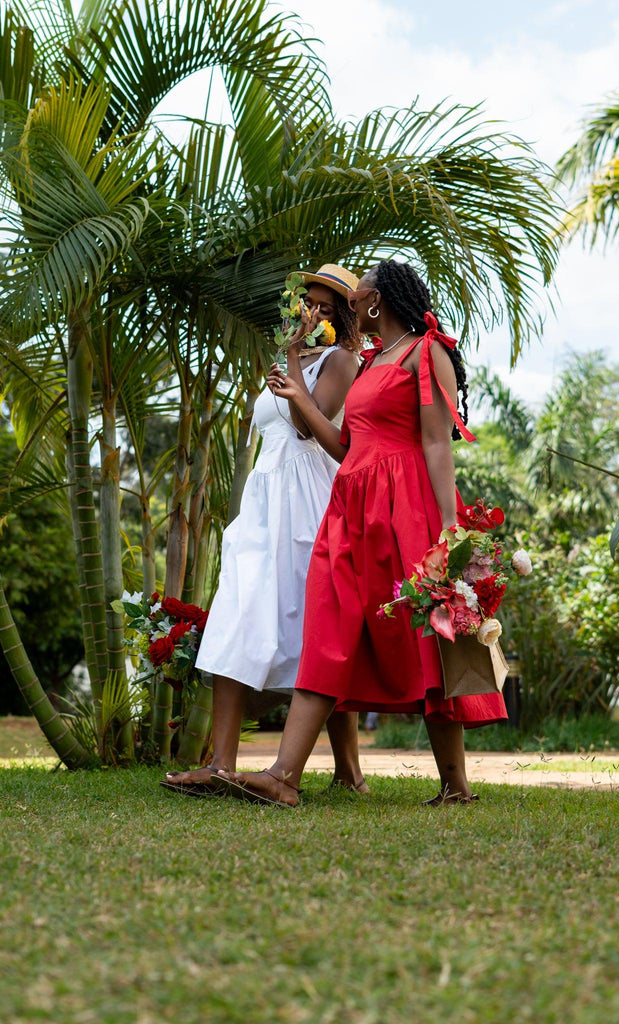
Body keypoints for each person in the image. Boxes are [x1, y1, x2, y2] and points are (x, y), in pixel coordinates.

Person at [217, 259, 507, 807]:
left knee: (427, 638)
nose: (349, 302)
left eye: (359, 291)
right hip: (350, 507)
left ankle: (456, 785)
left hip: (406, 509)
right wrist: (300, 398)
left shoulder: (427, 352)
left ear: (377, 300)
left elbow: (438, 442)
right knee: (327, 625)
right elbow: (347, 449)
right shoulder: (370, 366)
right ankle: (283, 776)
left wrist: (449, 530)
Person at [162, 264, 369, 795]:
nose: (314, 313)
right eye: (309, 304)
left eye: (326, 307)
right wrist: (291, 357)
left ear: (344, 316)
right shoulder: (287, 357)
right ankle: (221, 764)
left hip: (306, 504)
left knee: (313, 634)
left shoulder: (341, 360)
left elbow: (308, 426)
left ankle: (343, 771)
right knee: (236, 617)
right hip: (263, 498)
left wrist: (298, 361)